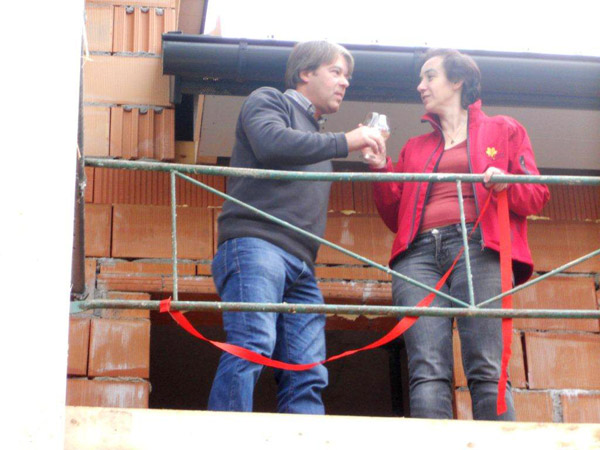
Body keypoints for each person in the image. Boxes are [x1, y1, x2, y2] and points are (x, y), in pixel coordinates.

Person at [366, 48, 549, 420]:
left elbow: (536, 196)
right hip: (416, 257)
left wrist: (507, 183)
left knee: (487, 367)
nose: (420, 86)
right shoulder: (414, 147)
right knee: (426, 370)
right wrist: (380, 167)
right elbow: (394, 216)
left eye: (429, 76)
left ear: (458, 81)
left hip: (479, 248)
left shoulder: (504, 129)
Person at [208, 40, 386, 414]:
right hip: (256, 245)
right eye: (336, 72)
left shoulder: (318, 140)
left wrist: (368, 159)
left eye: (347, 76)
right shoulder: (270, 100)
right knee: (252, 342)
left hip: (302, 266)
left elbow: (304, 146)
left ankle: (302, 436)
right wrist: (344, 141)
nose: (345, 82)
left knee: (307, 371)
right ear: (305, 72)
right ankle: (223, 436)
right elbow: (271, 143)